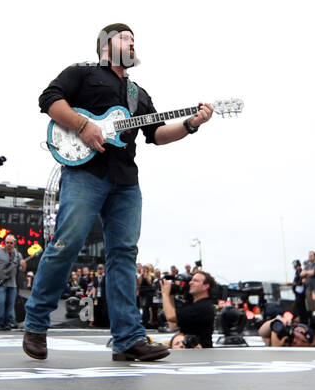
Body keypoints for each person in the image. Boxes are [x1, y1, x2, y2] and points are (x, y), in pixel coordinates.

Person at [23, 24, 214, 363]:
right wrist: (84, 125)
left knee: (124, 255)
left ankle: (127, 339)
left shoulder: (138, 93)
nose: (132, 42)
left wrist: (191, 124)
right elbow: (49, 100)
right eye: (125, 37)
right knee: (67, 243)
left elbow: (156, 133)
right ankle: (36, 324)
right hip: (85, 173)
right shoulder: (82, 72)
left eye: (134, 39)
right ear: (106, 45)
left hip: (125, 181)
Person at [161, 270, 216, 349]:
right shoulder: (191, 305)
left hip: (201, 353)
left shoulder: (203, 306)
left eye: (195, 281)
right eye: (191, 280)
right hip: (189, 352)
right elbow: (173, 325)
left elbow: (171, 316)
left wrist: (165, 294)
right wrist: (170, 296)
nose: (190, 283)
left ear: (206, 286)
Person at [0, 234, 25, 330]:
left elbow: (22, 269)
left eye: (11, 243)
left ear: (14, 244)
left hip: (12, 283)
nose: (8, 245)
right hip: (0, 281)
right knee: (0, 302)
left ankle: (10, 323)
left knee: (11, 304)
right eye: (7, 242)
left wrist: (23, 265)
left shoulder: (18, 255)